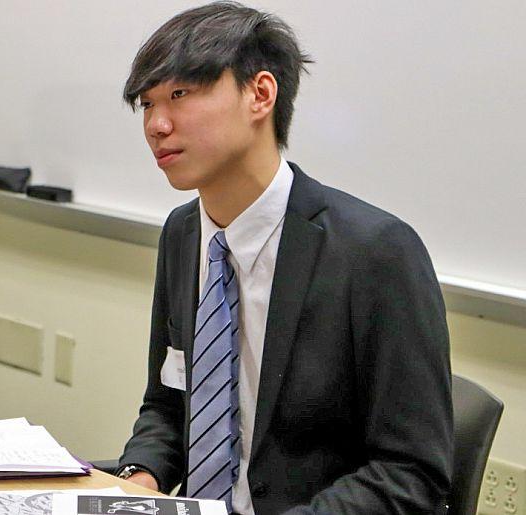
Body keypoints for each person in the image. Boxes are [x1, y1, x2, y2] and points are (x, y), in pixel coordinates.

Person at [113, 2, 452, 514]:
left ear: (260, 94)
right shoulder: (183, 233)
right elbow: (169, 400)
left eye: (180, 94)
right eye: (147, 104)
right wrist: (140, 477)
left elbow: (411, 474)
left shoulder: (375, 251)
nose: (157, 125)